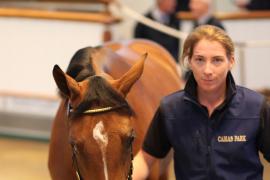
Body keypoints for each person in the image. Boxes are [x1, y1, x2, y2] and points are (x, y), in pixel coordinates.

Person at [133, 25, 270, 180]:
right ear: (189, 61)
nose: (207, 70)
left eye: (217, 60)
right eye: (199, 60)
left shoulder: (256, 107)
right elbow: (145, 159)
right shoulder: (170, 109)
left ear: (231, 61)